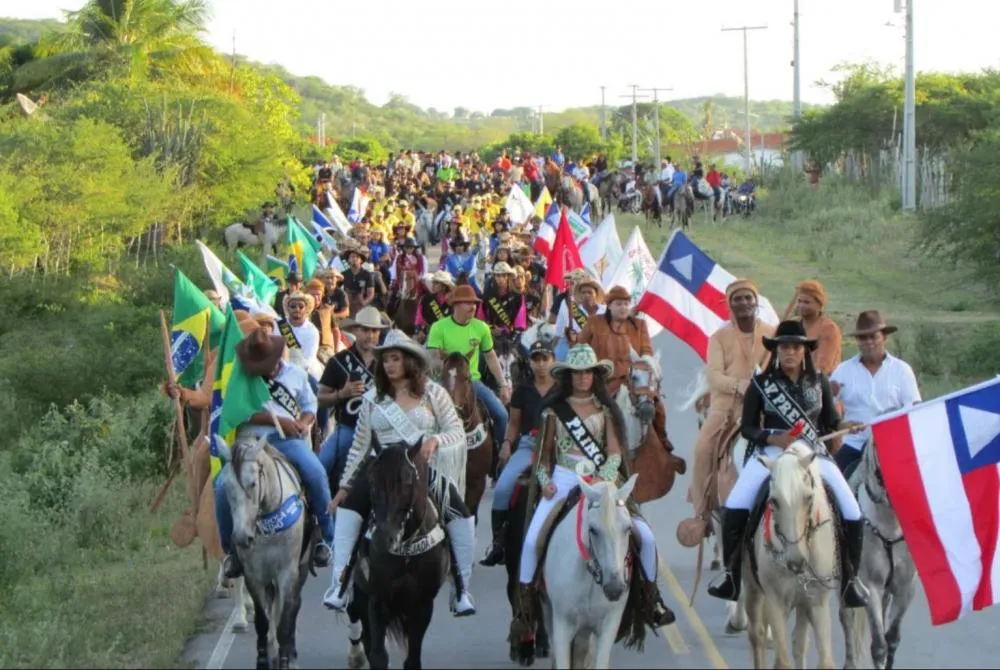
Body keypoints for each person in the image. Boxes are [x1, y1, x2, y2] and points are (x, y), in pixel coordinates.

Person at [708, 320, 867, 607]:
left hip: (811, 453)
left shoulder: (819, 382)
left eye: (795, 347)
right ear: (777, 351)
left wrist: (846, 425)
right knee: (736, 504)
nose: (790, 352)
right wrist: (772, 436)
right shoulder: (761, 383)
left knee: (852, 510)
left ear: (805, 350)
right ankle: (731, 576)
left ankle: (850, 580)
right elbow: (748, 428)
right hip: (770, 454)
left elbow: (829, 422)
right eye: (784, 347)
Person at [516, 344, 676, 629]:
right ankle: (525, 609)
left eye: (587, 372)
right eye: (577, 373)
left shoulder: (606, 410)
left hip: (602, 480)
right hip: (564, 479)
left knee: (645, 536)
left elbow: (614, 453)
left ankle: (652, 598)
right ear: (569, 376)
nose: (582, 378)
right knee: (531, 541)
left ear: (595, 375)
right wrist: (545, 483)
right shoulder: (553, 411)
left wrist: (606, 475)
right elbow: (543, 458)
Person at [322, 330, 478, 617]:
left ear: (410, 362)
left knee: (461, 514)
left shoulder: (434, 393)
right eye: (385, 360)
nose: (389, 365)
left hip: (422, 468)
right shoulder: (372, 398)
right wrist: (345, 486)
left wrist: (435, 441)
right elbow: (359, 447)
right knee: (349, 511)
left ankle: (461, 587)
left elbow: (456, 430)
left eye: (395, 359)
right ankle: (340, 584)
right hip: (379, 470)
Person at [214, 328, 336, 579]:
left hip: (287, 439)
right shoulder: (241, 378)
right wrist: (274, 418)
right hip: (250, 441)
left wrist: (303, 421)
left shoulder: (296, 373)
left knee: (316, 473)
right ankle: (230, 551)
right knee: (221, 485)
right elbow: (235, 412)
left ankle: (326, 537)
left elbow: (309, 403)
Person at [687, 279, 775, 522]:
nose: (744, 303)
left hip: (765, 408)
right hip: (726, 408)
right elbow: (713, 376)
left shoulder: (771, 333)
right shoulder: (718, 337)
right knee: (702, 449)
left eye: (748, 298)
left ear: (756, 302)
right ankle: (701, 513)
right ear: (730, 304)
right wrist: (739, 385)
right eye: (738, 299)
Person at [480, 339, 556, 567]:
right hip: (529, 444)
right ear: (530, 362)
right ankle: (499, 544)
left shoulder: (563, 387)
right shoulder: (522, 389)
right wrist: (506, 443)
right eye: (536, 359)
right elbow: (514, 423)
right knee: (503, 488)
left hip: (558, 447)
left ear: (553, 360)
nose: (540, 364)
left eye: (545, 359)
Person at [578, 285, 669, 449]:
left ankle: (663, 442)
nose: (623, 308)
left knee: (657, 405)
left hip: (633, 379)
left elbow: (647, 350)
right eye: (619, 304)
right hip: (602, 380)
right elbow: (580, 347)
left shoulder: (640, 325)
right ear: (609, 305)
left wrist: (646, 360)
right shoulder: (594, 322)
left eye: (626, 304)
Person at [830, 310, 921, 474]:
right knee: (831, 486)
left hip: (891, 446)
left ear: (884, 337)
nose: (868, 342)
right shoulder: (843, 371)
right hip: (854, 445)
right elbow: (825, 406)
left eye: (873, 336)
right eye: (863, 338)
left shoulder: (902, 370)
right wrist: (842, 424)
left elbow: (914, 410)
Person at [426, 284, 510, 453]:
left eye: (474, 303)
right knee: (425, 419)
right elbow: (432, 360)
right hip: (444, 382)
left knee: (502, 415)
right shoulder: (438, 327)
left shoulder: (482, 328)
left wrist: (503, 384)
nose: (473, 306)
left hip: (473, 381)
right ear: (455, 304)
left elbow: (490, 356)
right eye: (467, 303)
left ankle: (499, 458)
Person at [316, 306, 385, 489]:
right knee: (321, 464)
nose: (370, 335)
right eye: (365, 329)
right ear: (355, 330)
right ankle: (319, 513)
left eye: (374, 330)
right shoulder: (337, 361)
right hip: (348, 428)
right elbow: (320, 398)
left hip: (383, 431)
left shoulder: (388, 362)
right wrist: (341, 394)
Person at [793, 280, 842, 375]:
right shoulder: (793, 324)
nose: (801, 305)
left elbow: (823, 366)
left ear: (819, 304)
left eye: (807, 302)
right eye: (799, 301)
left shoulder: (829, 328)